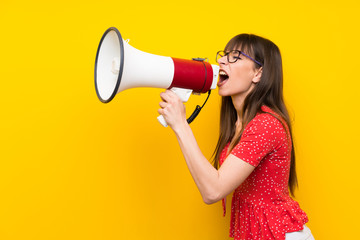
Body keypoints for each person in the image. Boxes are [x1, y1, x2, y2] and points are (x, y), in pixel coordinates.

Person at [158, 34, 314, 240]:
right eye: (224, 55)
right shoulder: (240, 124)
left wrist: (180, 124)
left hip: (278, 234)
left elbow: (213, 190)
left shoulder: (265, 124)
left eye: (235, 57)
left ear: (258, 73)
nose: (221, 61)